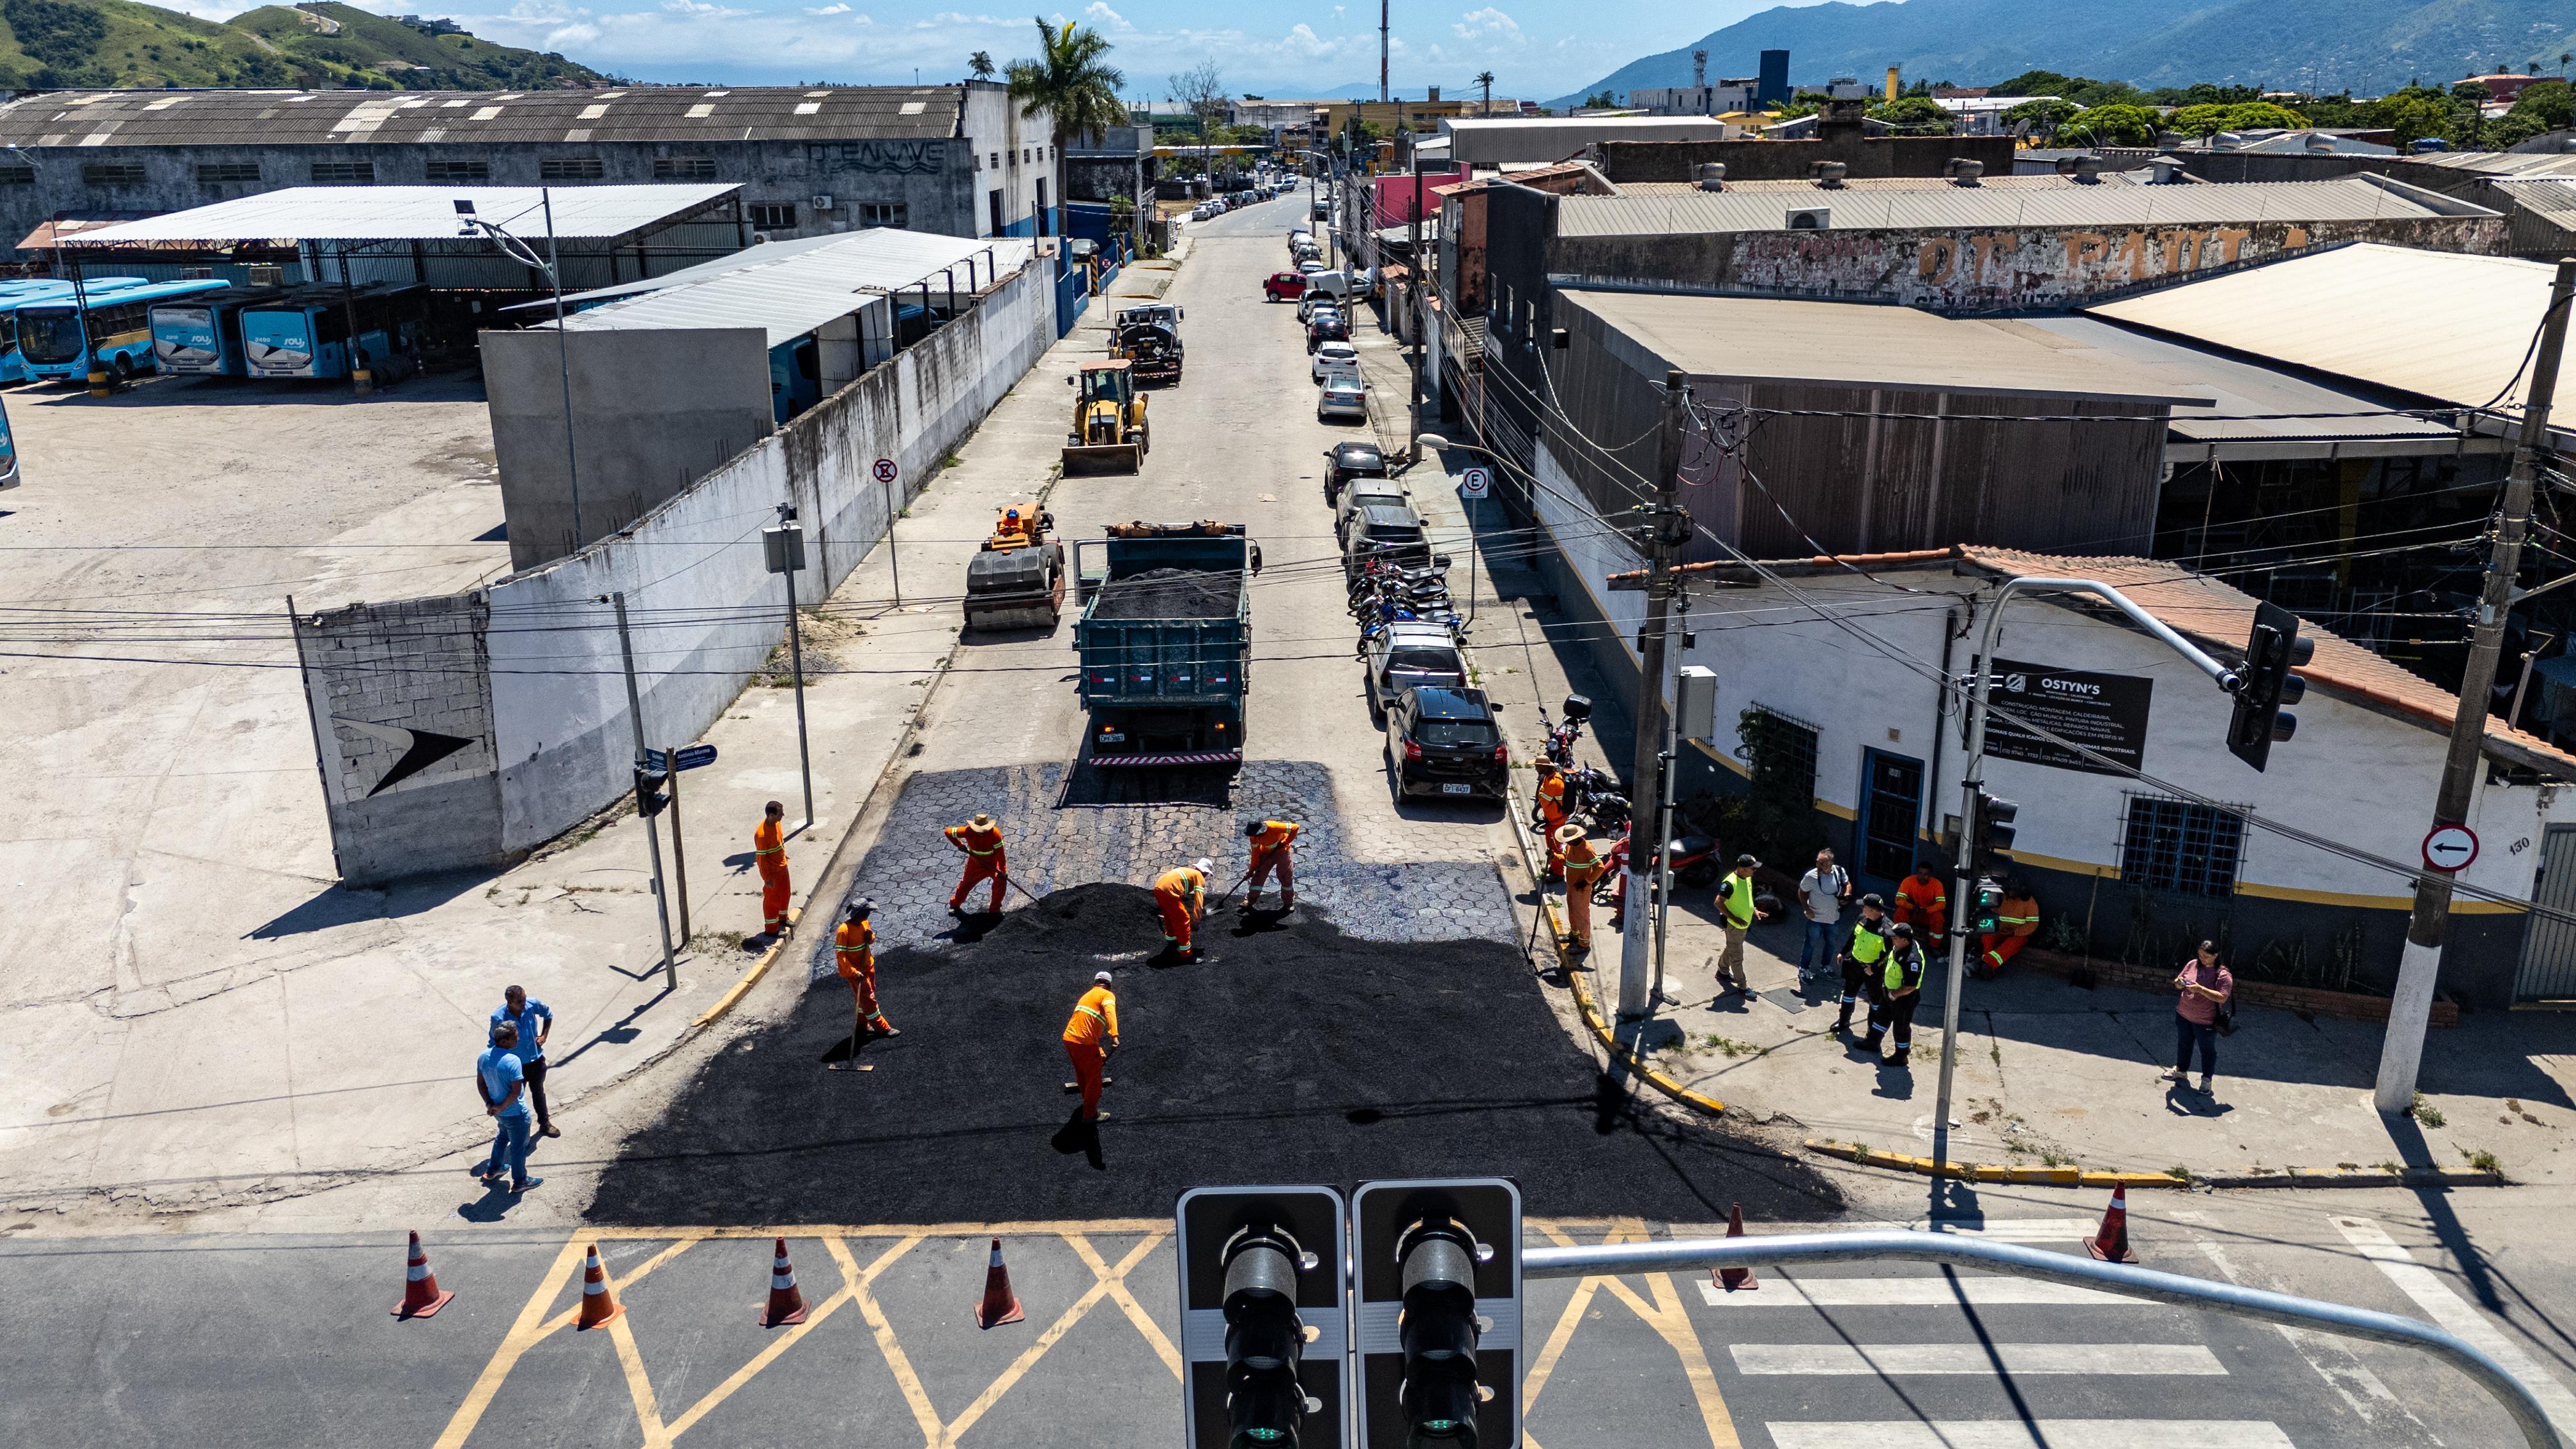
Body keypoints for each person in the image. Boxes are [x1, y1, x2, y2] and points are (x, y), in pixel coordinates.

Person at [476, 1022, 541, 1193]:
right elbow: (515, 1092)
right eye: (515, 1037)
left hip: (499, 1113)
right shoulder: (513, 1061)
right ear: (504, 1041)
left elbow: (481, 1084)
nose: (518, 1039)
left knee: (502, 1137)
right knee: (518, 1149)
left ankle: (493, 1169)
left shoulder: (483, 1057)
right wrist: (500, 1107)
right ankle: (520, 1181)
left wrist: (490, 1104)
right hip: (515, 1113)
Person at [488, 985, 556, 1139]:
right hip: (515, 1066)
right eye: (520, 1001)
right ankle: (514, 1131)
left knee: (538, 1092)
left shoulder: (532, 1005)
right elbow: (493, 1043)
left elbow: (548, 1014)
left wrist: (544, 1036)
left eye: (524, 999)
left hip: (535, 1059)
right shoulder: (499, 1018)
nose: (524, 1003)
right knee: (515, 1098)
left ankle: (544, 1123)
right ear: (509, 1002)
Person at [2168, 939, 2234, 1093]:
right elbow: (2179, 980)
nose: (2202, 959)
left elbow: (2222, 997)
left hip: (2205, 1021)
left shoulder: (2223, 975)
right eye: (2200, 955)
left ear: (2215, 955)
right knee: (2184, 1044)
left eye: (2206, 956)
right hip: (2184, 1014)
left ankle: (2206, 1080)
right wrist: (2178, 983)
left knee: (2207, 1051)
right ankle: (2181, 1071)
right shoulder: (2193, 964)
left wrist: (2201, 990)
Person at [1062, 970, 1121, 1123]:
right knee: (1094, 1080)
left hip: (1069, 1038)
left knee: (1082, 1071)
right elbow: (1110, 1012)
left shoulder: (1087, 995)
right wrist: (1114, 1035)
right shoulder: (1107, 995)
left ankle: (1086, 1096)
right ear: (1109, 985)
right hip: (1085, 1043)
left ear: (1095, 982)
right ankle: (1090, 1114)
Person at [1864, 921, 1926, 1065]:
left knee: (1901, 1027)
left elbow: (1910, 986)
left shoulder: (1912, 960)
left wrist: (1894, 995)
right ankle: (1873, 1042)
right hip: (1890, 991)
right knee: (1881, 1017)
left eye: (1895, 938)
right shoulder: (1901, 946)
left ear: (1905, 940)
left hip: (1903, 998)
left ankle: (1901, 1056)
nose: (1892, 939)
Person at [836, 900, 896, 1039]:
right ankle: (882, 1028)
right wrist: (854, 972)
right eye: (867, 912)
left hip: (868, 966)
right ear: (860, 913)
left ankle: (861, 1026)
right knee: (869, 999)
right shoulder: (844, 931)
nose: (869, 914)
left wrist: (871, 937)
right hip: (856, 973)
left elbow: (870, 939)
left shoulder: (864, 923)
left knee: (864, 998)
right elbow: (840, 955)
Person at [1837, 894, 1892, 1036]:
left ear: (1873, 910)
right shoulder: (1862, 919)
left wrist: (1874, 968)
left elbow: (1889, 955)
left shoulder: (1887, 930)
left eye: (1865, 908)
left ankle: (1871, 1034)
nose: (1862, 910)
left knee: (1875, 1003)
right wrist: (1843, 952)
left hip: (1872, 972)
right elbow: (1853, 936)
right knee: (1848, 995)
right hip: (1855, 965)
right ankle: (1843, 1021)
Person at [1714, 854, 1768, 995]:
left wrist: (1754, 910)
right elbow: (1718, 903)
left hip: (1742, 926)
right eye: (1753, 868)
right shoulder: (1730, 884)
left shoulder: (1747, 878)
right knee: (1737, 957)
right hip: (1734, 926)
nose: (1755, 871)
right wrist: (1734, 918)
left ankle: (1722, 972)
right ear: (1743, 869)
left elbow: (1745, 898)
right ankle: (1743, 986)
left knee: (1732, 948)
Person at [1795, 847, 1851, 979]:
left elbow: (1847, 884)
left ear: (1831, 864)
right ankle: (1804, 968)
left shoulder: (1839, 871)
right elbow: (1802, 892)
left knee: (1830, 944)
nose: (1818, 866)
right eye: (1817, 862)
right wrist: (1806, 909)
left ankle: (1825, 966)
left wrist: (1847, 894)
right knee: (1810, 944)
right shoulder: (1811, 876)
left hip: (1833, 918)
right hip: (1815, 919)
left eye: (1822, 863)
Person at [944, 812, 1008, 916]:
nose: (981, 833)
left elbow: (1000, 853)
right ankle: (955, 905)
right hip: (975, 863)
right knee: (966, 884)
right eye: (979, 831)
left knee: (1001, 881)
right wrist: (959, 845)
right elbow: (948, 832)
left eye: (984, 831)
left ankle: (995, 909)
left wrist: (1003, 869)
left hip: (992, 864)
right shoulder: (967, 831)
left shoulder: (995, 834)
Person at [1978, 878, 2041, 977]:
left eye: (2014, 891)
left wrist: (2015, 932)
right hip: (2000, 930)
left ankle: (1987, 963)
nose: (2011, 893)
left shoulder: (2029, 902)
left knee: (2011, 945)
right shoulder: (2002, 897)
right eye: (2009, 890)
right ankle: (1987, 965)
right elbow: (1991, 912)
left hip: (2019, 934)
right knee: (1987, 937)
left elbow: (2033, 924)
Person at [1558, 825, 1606, 954]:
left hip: (1581, 889)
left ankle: (1584, 943)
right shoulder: (1570, 847)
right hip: (1571, 886)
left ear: (1576, 838)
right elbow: (1565, 859)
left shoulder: (1587, 849)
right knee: (1572, 911)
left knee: (1581, 915)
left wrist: (1587, 881)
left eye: (1569, 840)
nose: (1567, 842)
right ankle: (1574, 934)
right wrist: (1554, 856)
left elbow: (1600, 867)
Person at [1154, 859, 1211, 960]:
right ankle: (1186, 954)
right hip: (1168, 891)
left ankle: (1172, 941)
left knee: (1169, 916)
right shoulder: (1199, 876)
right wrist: (1196, 920)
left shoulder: (1188, 872)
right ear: (1205, 872)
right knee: (1183, 919)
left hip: (1158, 888)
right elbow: (1199, 901)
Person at [752, 800, 792, 939]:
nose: (783, 815)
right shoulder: (762, 835)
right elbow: (761, 860)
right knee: (772, 901)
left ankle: (783, 919)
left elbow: (779, 844)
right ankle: (771, 929)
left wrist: (784, 856)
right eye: (780, 813)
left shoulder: (777, 824)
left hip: (782, 867)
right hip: (773, 873)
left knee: (785, 894)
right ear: (771, 815)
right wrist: (767, 879)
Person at [1245, 818, 1301, 911]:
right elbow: (1255, 852)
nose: (1256, 837)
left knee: (1285, 877)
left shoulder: (1274, 827)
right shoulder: (1253, 836)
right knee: (1259, 875)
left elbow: (1295, 827)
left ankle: (1288, 903)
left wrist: (1285, 842)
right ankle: (1249, 901)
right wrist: (1252, 869)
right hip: (1266, 854)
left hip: (1282, 852)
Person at [1894, 859, 1948, 944]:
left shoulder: (1937, 884)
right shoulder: (1908, 881)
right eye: (1920, 873)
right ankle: (1897, 940)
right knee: (1900, 912)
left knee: (1938, 917)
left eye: (1926, 874)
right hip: (1912, 913)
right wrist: (1911, 907)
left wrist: (1927, 910)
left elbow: (1942, 904)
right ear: (1917, 873)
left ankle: (1934, 945)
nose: (1922, 876)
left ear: (1930, 875)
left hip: (1927, 915)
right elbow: (1899, 900)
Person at [1535, 762, 1569, 879]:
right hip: (1551, 819)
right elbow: (1542, 795)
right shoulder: (1548, 778)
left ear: (1544, 767)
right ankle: (1554, 867)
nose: (1536, 769)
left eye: (1537, 767)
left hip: (1556, 820)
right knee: (1551, 846)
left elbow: (1543, 802)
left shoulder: (1553, 782)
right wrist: (1542, 793)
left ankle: (1558, 873)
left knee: (1556, 847)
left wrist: (1541, 793)